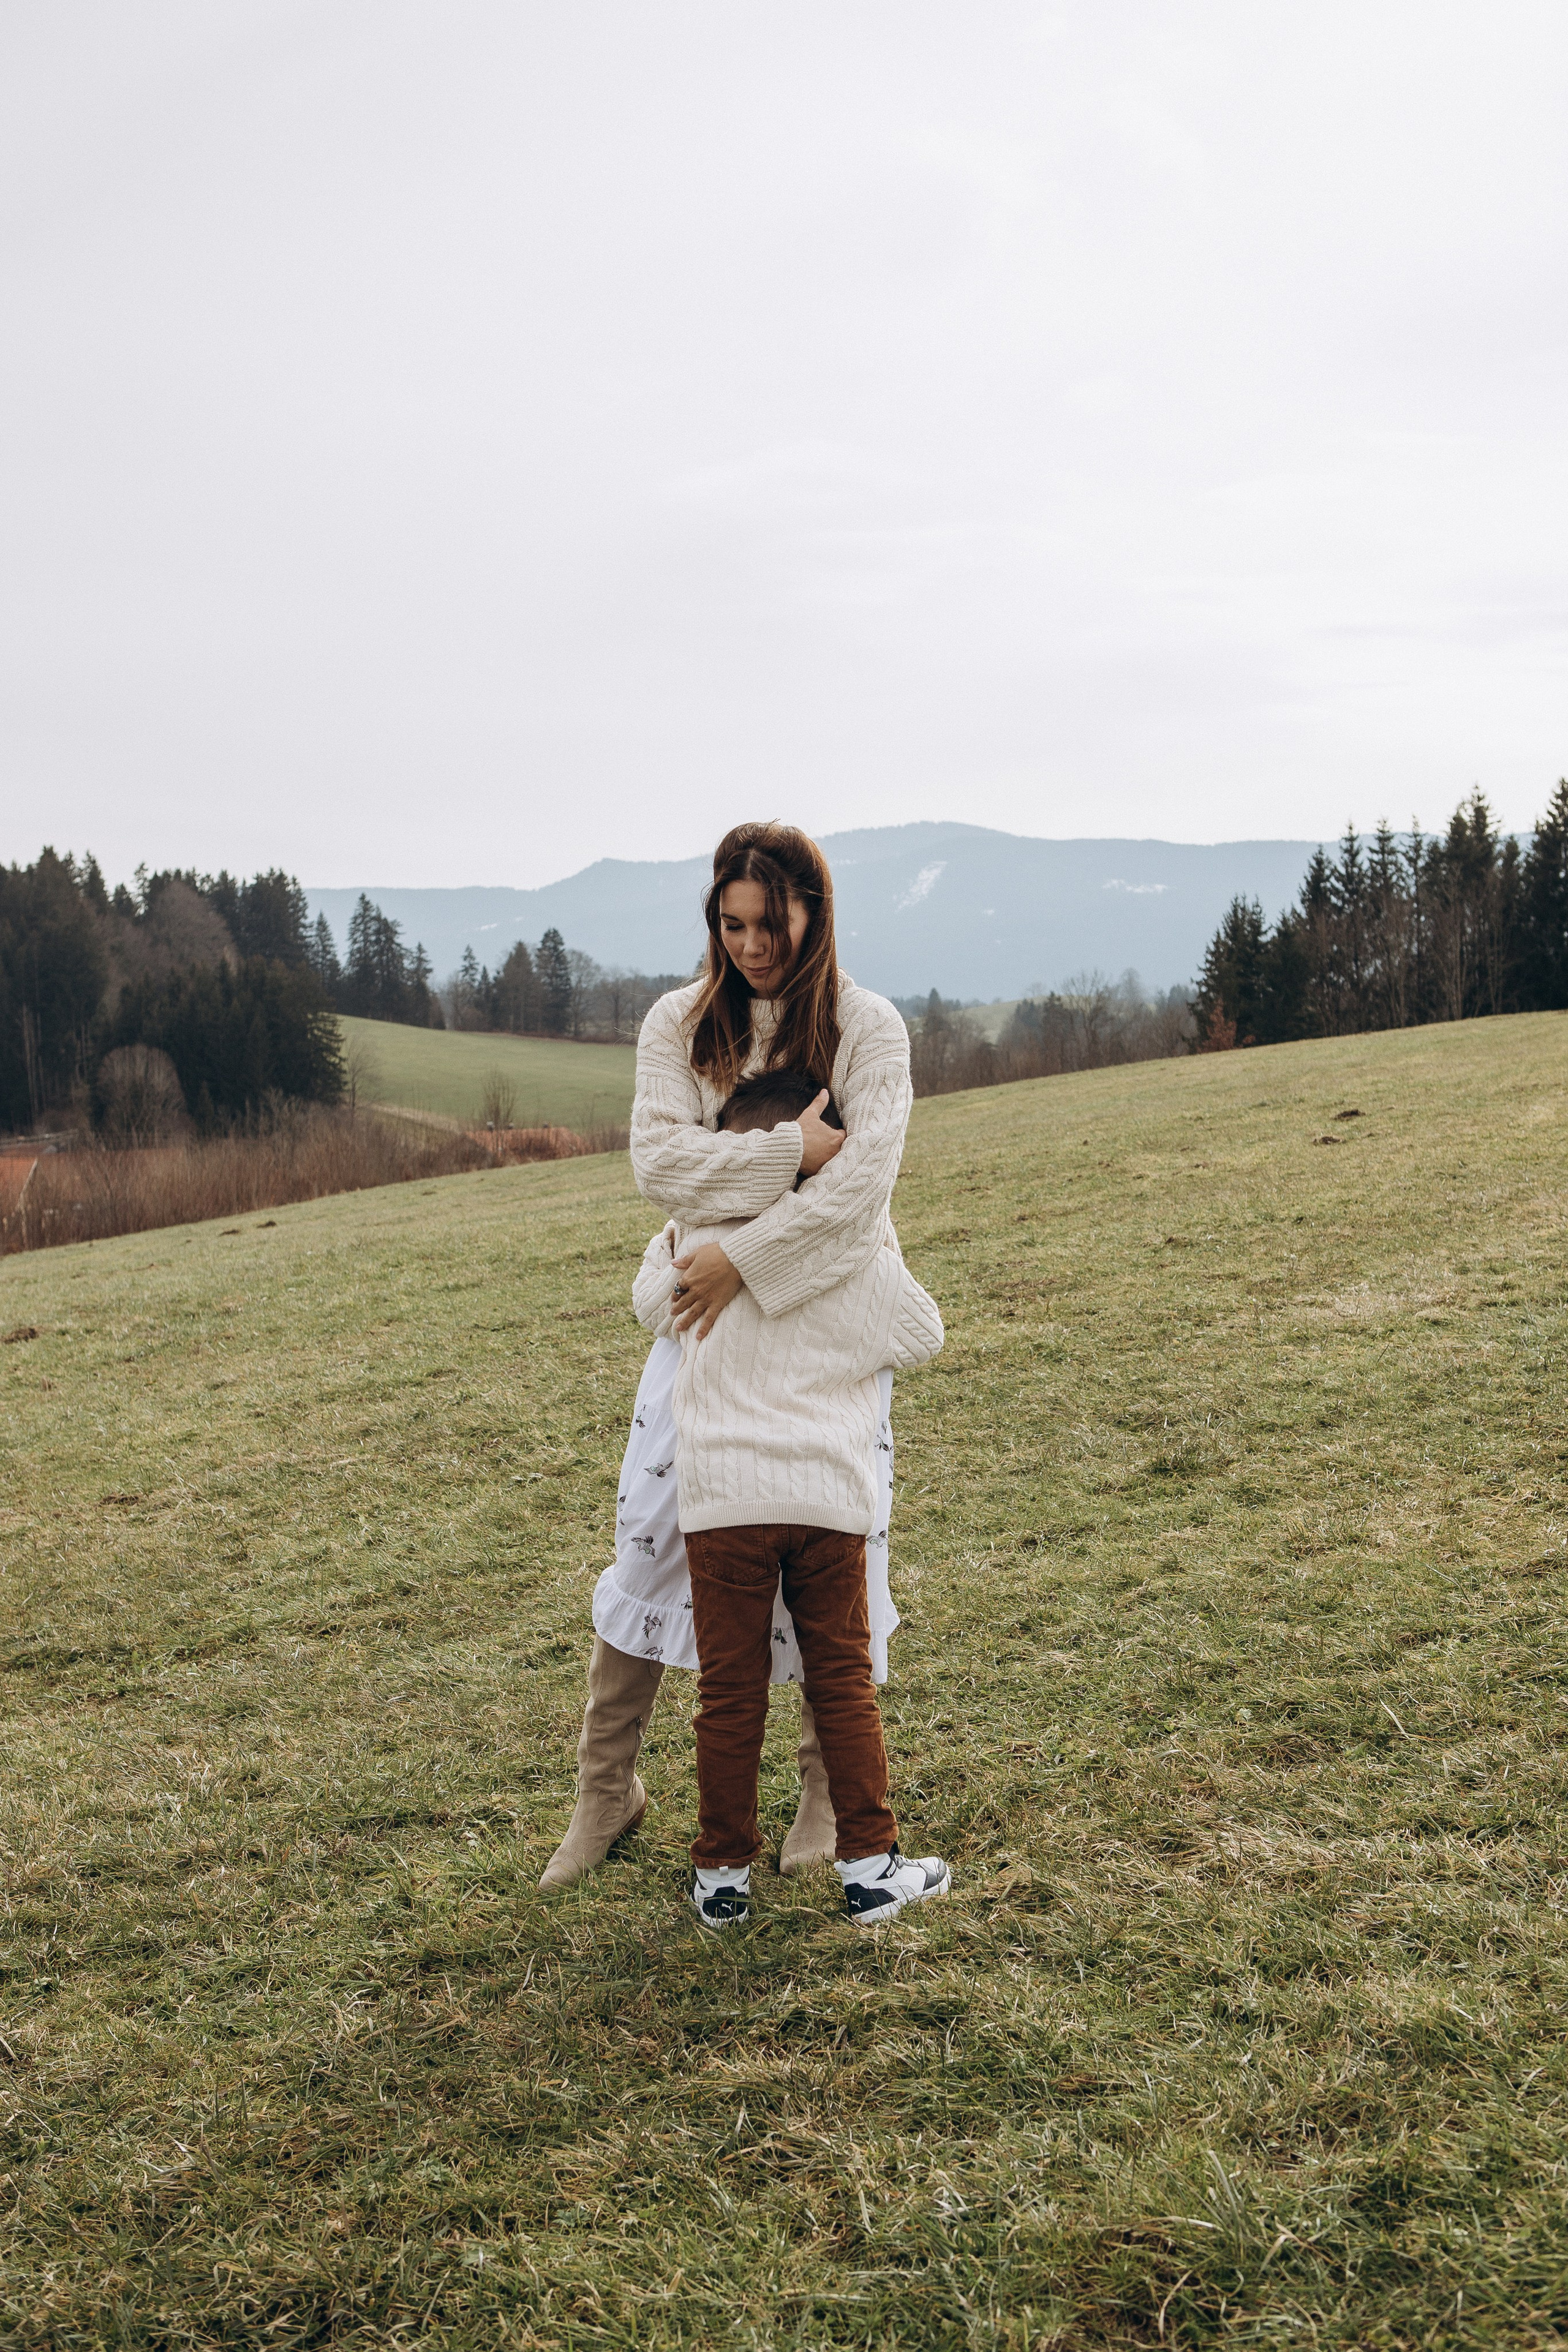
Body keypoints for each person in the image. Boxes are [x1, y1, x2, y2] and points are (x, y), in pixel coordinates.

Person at [538, 821, 918, 1891]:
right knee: (655, 1537)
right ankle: (606, 1790)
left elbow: (861, 1195)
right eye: (731, 923)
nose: (750, 946)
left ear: (814, 914)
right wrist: (792, 1150)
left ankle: (824, 1795)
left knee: (833, 1549)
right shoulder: (680, 1023)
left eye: (770, 923)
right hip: (701, 1334)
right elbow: (660, 1166)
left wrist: (737, 1258)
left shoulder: (868, 1029)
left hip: (820, 1324)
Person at [631, 1068, 949, 1928]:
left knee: (730, 1695)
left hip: (722, 1505)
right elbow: (923, 1332)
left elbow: (650, 1305)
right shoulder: (852, 1250)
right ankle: (871, 1866)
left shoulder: (701, 1250)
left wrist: (673, 1238)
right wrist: (877, 1231)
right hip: (826, 1501)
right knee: (840, 1681)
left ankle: (721, 1880)